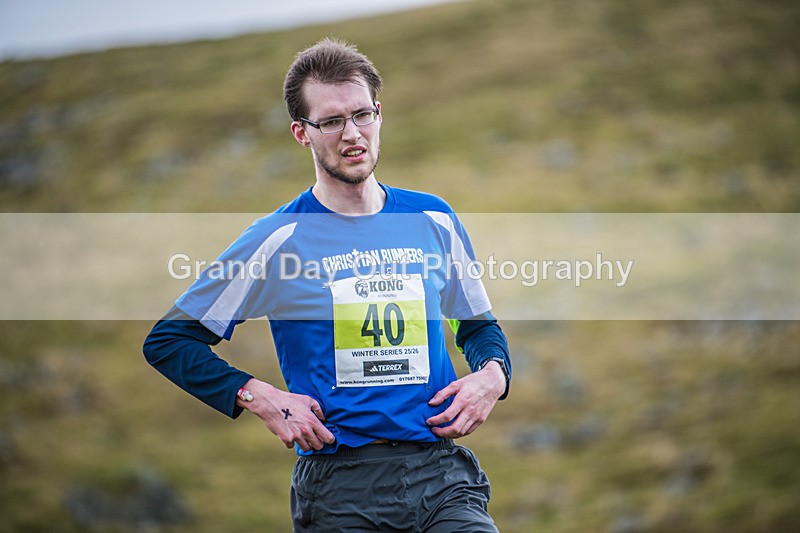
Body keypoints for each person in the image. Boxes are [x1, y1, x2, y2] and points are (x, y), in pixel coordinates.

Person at [143, 37, 511, 532]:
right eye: (332, 121)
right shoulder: (277, 239)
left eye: (362, 115)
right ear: (302, 133)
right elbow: (169, 341)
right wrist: (257, 396)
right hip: (340, 490)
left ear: (379, 114)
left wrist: (494, 376)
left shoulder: (433, 218)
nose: (352, 133)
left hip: (440, 477)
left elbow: (478, 326)